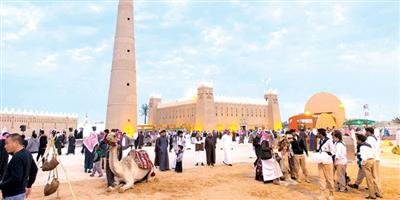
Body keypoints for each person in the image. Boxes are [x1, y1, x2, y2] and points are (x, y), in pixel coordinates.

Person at [0, 133, 38, 200]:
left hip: (12, 195)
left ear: (16, 143)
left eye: (7, 143)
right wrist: (29, 185)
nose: (5, 146)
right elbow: (34, 169)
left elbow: (16, 178)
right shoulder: (26, 153)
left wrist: (1, 186)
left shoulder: (18, 157)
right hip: (19, 193)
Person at [356, 134, 382, 199]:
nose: (356, 141)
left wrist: (362, 164)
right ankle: (379, 192)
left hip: (367, 162)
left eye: (357, 139)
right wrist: (358, 153)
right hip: (373, 160)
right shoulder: (368, 145)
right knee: (374, 177)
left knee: (369, 179)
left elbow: (364, 157)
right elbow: (368, 152)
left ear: (360, 140)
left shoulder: (362, 147)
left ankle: (372, 195)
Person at [316, 128, 335, 200]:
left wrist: (326, 153)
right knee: (321, 178)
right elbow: (318, 150)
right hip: (320, 162)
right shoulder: (319, 141)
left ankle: (331, 192)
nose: (317, 135)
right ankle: (322, 193)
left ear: (321, 134)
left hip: (328, 162)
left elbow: (333, 152)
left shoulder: (329, 141)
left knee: (329, 178)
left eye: (318, 133)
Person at [365, 127, 382, 194]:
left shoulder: (370, 138)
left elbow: (369, 149)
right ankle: (376, 190)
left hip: (373, 159)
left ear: (369, 132)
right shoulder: (374, 138)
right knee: (375, 175)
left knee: (374, 176)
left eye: (366, 132)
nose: (365, 133)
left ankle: (378, 191)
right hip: (376, 158)